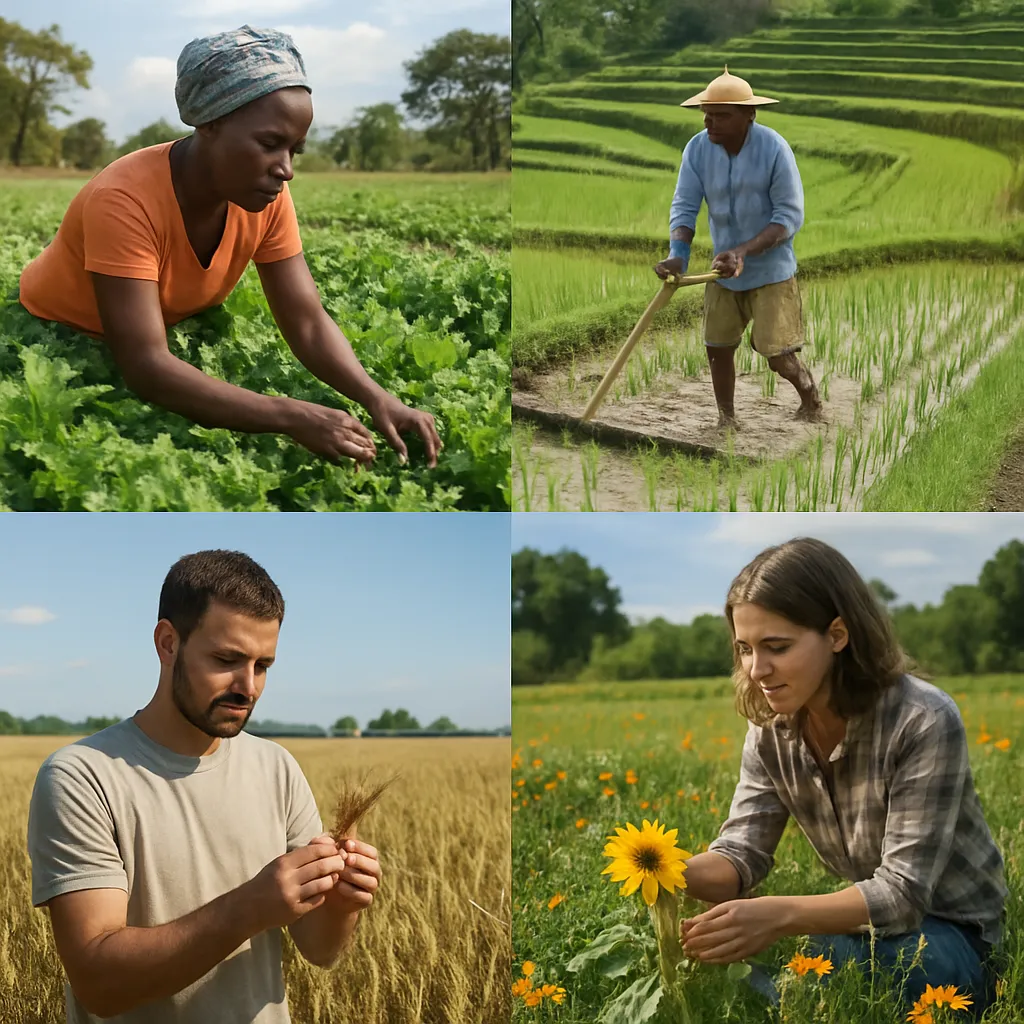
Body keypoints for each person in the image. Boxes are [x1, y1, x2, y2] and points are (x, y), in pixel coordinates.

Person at [17, 25, 441, 470]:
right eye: (270, 144)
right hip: (59, 329)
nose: (285, 169)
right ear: (210, 122)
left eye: (295, 150)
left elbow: (307, 320)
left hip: (158, 327)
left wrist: (378, 397)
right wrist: (291, 415)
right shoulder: (124, 199)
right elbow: (146, 367)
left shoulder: (264, 197)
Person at [26, 549, 383, 1023]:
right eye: (227, 659)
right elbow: (100, 984)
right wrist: (252, 905)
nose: (248, 686)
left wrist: (341, 905)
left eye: (263, 665)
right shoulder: (81, 777)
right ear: (168, 643)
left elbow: (319, 950)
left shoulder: (277, 768)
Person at [676, 537, 1006, 1020]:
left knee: (830, 961)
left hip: (949, 930)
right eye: (744, 648)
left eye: (777, 647)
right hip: (861, 924)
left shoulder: (924, 719)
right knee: (718, 951)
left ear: (837, 634)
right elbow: (741, 854)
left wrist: (779, 916)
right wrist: (665, 870)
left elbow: (902, 895)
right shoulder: (769, 729)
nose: (757, 669)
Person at [654, 68, 822, 429]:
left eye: (721, 116)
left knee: (777, 355)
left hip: (771, 271)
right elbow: (685, 206)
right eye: (707, 114)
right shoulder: (697, 149)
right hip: (723, 270)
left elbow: (788, 216)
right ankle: (726, 419)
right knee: (717, 346)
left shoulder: (774, 148)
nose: (709, 122)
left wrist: (743, 252)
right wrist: (678, 257)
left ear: (749, 116)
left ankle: (808, 391)